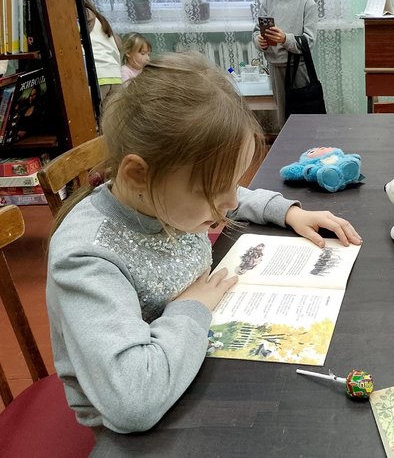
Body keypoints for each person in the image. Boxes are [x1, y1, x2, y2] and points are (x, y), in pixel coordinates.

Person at [45, 51, 362, 434]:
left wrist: (286, 212)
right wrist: (192, 307)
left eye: (231, 183)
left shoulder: (163, 196)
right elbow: (132, 402)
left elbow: (230, 194)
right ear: (138, 174)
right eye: (213, 190)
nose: (228, 203)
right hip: (139, 423)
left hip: (191, 359)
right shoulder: (86, 256)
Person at [252, 0, 318, 128]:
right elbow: (256, 31)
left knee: (302, 118)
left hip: (298, 69)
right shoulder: (269, 2)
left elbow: (309, 41)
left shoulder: (307, 3)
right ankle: (287, 145)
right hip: (275, 67)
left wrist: (284, 39)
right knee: (283, 117)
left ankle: (304, 144)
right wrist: (259, 41)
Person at [83, 0, 122, 103]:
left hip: (97, 75)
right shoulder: (101, 20)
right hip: (115, 74)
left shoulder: (78, 21)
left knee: (91, 111)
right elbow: (118, 44)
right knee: (111, 112)